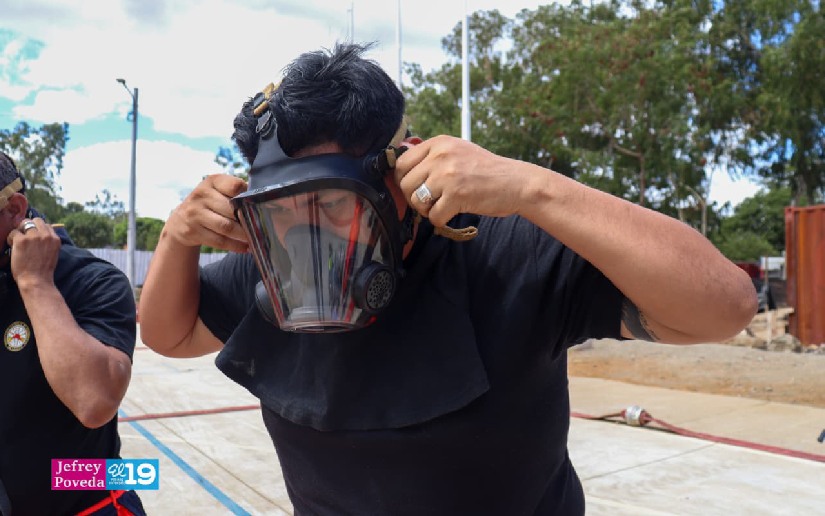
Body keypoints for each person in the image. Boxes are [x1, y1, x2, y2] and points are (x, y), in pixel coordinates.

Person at [138, 43, 757, 515]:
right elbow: (170, 335)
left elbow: (724, 307)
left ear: (400, 175)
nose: (309, 234)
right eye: (283, 212)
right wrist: (176, 238)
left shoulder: (504, 250)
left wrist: (534, 188)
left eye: (332, 204)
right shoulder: (272, 263)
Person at [0, 152, 145, 515]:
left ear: (15, 209)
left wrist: (35, 283)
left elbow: (94, 401)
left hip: (87, 502)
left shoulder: (92, 280)